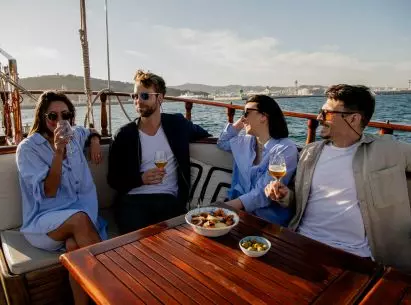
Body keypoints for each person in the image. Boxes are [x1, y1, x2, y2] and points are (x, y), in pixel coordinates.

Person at [265, 84, 411, 271]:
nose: (318, 118)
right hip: (302, 241)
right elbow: (299, 203)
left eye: (326, 113)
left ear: (353, 118)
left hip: (355, 256)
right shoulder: (311, 152)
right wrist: (285, 196)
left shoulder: (387, 149)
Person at [16, 90, 107, 305]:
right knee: (79, 220)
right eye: (53, 116)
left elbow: (90, 130)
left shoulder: (75, 135)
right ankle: (112, 292)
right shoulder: (28, 149)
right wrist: (58, 151)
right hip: (45, 221)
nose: (60, 121)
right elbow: (49, 191)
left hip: (81, 217)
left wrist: (94, 140)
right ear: (42, 117)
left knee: (75, 248)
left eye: (65, 115)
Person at [108, 70, 211, 234]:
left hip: (168, 199)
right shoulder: (124, 135)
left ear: (160, 98)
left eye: (144, 96)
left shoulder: (177, 125)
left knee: (178, 242)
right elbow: (113, 179)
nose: (138, 101)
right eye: (135, 96)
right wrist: (140, 179)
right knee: (138, 244)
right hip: (133, 200)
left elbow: (206, 134)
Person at [217, 95, 298, 226]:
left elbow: (263, 192)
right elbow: (222, 142)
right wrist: (242, 122)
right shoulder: (244, 141)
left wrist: (222, 208)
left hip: (267, 221)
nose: (243, 118)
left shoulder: (284, 148)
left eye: (247, 113)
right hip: (237, 215)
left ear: (263, 117)